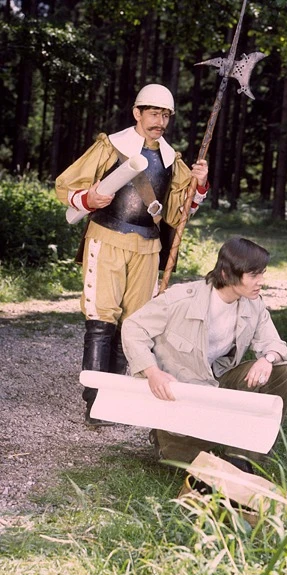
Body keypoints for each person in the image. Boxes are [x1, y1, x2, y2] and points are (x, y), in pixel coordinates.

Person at [55, 83, 210, 426]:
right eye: (153, 113)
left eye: (165, 115)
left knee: (134, 323)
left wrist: (198, 184)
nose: (160, 121)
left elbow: (178, 213)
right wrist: (88, 199)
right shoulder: (111, 146)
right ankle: (95, 401)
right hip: (107, 236)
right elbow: (66, 184)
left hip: (148, 246)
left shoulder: (172, 160)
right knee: (101, 319)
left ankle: (117, 397)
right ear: (137, 113)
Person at [121, 237, 287, 466]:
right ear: (226, 274)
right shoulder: (180, 299)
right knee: (180, 459)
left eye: (262, 274)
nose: (261, 281)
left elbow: (274, 343)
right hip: (180, 393)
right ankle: (167, 435)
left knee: (283, 372)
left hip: (217, 384)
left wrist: (268, 358)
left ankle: (245, 457)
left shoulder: (254, 304)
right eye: (254, 275)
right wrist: (152, 372)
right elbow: (133, 327)